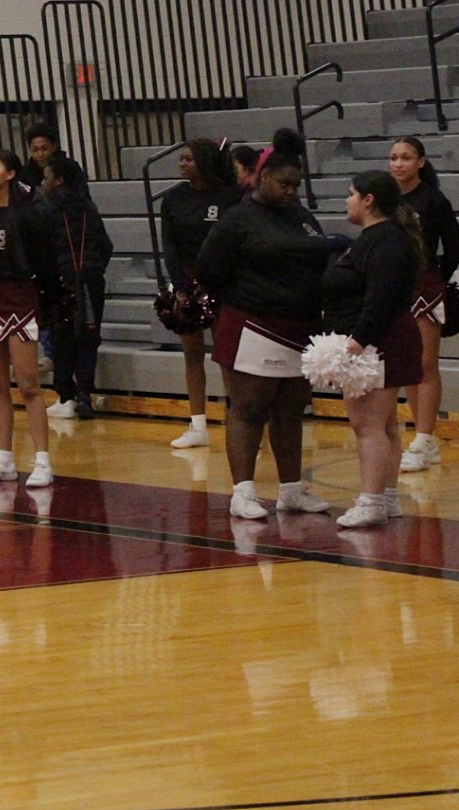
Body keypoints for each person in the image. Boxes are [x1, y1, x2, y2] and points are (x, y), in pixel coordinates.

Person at [196, 128, 339, 519]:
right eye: (284, 183)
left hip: (300, 326)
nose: (292, 190)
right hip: (252, 325)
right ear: (262, 177)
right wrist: (248, 294)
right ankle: (242, 493)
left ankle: (291, 489)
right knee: (248, 407)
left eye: (296, 184)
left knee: (291, 409)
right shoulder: (238, 219)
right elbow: (209, 271)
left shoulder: (302, 217)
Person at [322, 171, 424, 527]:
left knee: (366, 424)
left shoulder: (386, 241)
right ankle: (387, 497)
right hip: (380, 340)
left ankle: (371, 501)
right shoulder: (375, 238)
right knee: (384, 424)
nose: (347, 200)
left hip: (378, 343)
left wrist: (358, 340)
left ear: (368, 200)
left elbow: (379, 298)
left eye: (351, 194)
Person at [0, 149, 57, 487]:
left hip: (21, 297)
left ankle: (42, 460)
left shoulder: (30, 214)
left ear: (10, 174)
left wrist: (46, 303)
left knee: (29, 384)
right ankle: (3, 458)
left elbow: (46, 261)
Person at [160, 139, 242, 445]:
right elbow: (169, 245)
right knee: (192, 355)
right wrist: (179, 287)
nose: (182, 164)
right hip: (188, 283)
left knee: (227, 356)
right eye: (181, 159)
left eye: (189, 159)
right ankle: (198, 426)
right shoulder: (173, 199)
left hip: (224, 283)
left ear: (205, 162)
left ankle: (240, 422)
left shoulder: (231, 197)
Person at [389, 136, 459, 472]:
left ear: (421, 162)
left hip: (426, 284)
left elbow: (454, 248)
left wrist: (437, 279)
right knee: (407, 365)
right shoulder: (384, 199)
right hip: (394, 286)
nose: (398, 163)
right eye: (393, 157)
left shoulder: (434, 200)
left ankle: (425, 437)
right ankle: (421, 436)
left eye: (406, 157)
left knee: (425, 364)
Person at [42, 155, 114, 421]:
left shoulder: (46, 206)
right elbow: (106, 245)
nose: (43, 181)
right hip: (91, 279)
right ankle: (84, 394)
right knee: (88, 336)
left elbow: (42, 247)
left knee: (62, 336)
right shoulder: (89, 206)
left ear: (58, 180)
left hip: (61, 279)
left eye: (46, 177)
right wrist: (93, 269)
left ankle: (66, 396)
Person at [19, 122, 60, 190]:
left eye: (44, 149)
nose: (40, 154)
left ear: (54, 147)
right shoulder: (24, 174)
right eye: (35, 150)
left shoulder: (69, 168)